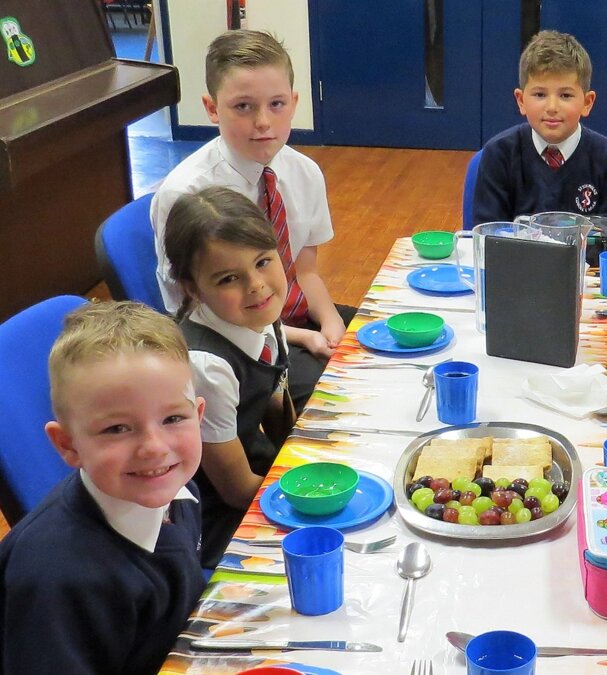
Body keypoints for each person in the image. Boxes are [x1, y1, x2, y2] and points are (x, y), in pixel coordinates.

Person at [150, 29, 355, 412]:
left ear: (294, 102)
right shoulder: (187, 194)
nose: (263, 122)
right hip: (237, 340)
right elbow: (195, 312)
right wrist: (301, 339)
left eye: (277, 104)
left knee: (386, 350)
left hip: (290, 314)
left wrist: (330, 325)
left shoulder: (304, 172)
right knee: (340, 403)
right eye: (243, 107)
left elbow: (306, 272)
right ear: (212, 109)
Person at [0, 301, 206, 675]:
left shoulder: (178, 491)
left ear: (199, 416)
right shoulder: (57, 580)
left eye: (173, 418)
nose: (155, 447)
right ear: (68, 445)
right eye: (117, 429)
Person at [164, 186, 295, 568]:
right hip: (214, 519)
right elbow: (236, 492)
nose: (256, 285)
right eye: (227, 279)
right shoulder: (206, 366)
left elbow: (272, 394)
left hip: (256, 468)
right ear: (192, 289)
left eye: (262, 262)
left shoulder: (259, 313)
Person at [472, 30, 607, 242]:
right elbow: (486, 240)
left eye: (565, 95)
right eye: (540, 94)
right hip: (516, 272)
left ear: (587, 103)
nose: (552, 107)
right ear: (521, 101)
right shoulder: (499, 155)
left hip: (588, 274)